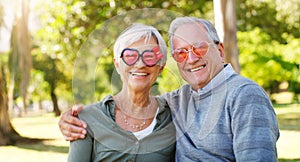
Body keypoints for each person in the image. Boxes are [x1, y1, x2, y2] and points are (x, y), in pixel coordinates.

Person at [59, 17, 280, 161]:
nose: (191, 59)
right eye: (182, 53)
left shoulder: (244, 95)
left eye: (199, 48)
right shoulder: (179, 100)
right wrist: (69, 118)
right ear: (117, 63)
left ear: (220, 51)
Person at [67, 23, 176, 162]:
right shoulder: (86, 119)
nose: (140, 64)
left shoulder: (173, 116)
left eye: (149, 56)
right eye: (130, 55)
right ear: (117, 64)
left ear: (160, 67)